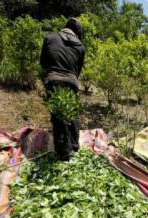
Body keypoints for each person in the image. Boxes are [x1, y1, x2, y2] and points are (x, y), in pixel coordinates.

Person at [40, 18, 85, 161]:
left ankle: (64, 154)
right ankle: (74, 145)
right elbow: (78, 69)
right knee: (72, 114)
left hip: (53, 78)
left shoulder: (50, 37)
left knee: (58, 116)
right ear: (77, 33)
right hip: (72, 81)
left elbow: (43, 62)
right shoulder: (80, 46)